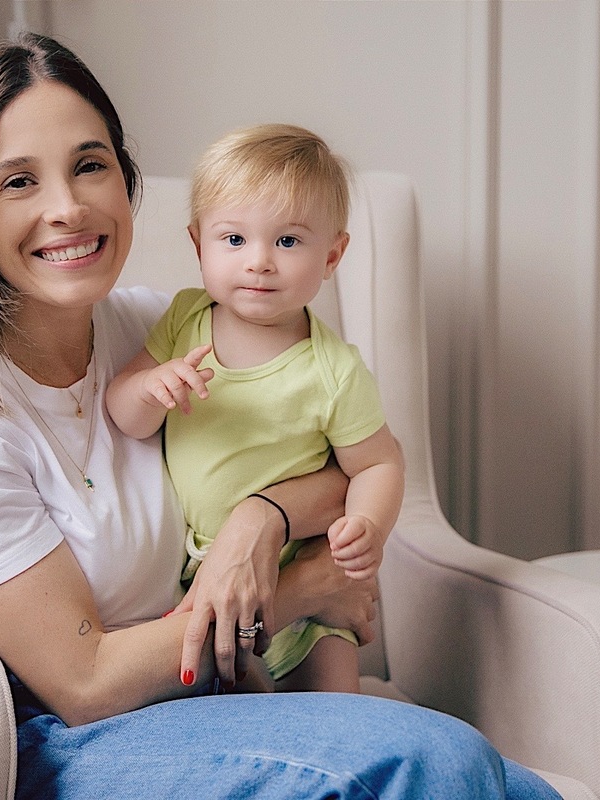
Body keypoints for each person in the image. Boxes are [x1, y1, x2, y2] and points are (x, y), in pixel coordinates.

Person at [0, 31, 561, 799]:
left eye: (89, 165)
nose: (67, 207)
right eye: (19, 182)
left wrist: (257, 522)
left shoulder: (156, 326)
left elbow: (337, 462)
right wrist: (300, 591)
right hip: (78, 739)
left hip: (215, 689)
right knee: (437, 759)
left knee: (501, 780)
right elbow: (85, 682)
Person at [106, 124, 405, 693]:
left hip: (306, 585)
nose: (260, 262)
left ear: (332, 255)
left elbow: (378, 464)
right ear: (198, 245)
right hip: (202, 572)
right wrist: (150, 388)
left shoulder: (334, 370)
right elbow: (123, 411)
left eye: (288, 242)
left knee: (337, 713)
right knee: (232, 699)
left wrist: (368, 524)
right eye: (234, 240)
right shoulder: (186, 319)